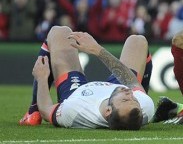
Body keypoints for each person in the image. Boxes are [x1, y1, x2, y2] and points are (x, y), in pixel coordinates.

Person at [19, 26, 154, 130]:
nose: (130, 94)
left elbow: (46, 109)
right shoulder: (144, 107)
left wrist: (42, 78)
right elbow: (131, 82)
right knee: (137, 41)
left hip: (78, 92)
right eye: (134, 99)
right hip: (114, 90)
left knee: (59, 32)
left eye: (125, 99)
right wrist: (97, 50)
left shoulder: (75, 111)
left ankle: (32, 112)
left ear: (108, 110)